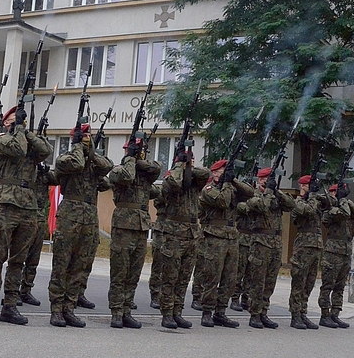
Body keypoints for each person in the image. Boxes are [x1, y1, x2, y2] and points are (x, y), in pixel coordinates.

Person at [0, 105, 52, 326]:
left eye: (19, 118)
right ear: (5, 123)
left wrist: (26, 130)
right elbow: (18, 149)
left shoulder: (27, 138)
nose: (17, 121)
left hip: (28, 207)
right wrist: (19, 130)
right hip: (6, 204)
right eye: (13, 119)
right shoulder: (1, 140)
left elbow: (45, 150)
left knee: (18, 261)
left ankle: (10, 306)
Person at [47, 124, 113, 328]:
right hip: (70, 215)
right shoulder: (66, 159)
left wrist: (90, 152)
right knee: (62, 264)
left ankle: (70, 308)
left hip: (89, 218)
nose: (87, 138)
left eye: (89, 135)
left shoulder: (95, 162)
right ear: (74, 138)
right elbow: (73, 165)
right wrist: (77, 148)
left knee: (81, 266)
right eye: (83, 135)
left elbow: (107, 167)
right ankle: (56, 309)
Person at [105, 138, 161, 329]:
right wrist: (130, 158)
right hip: (123, 226)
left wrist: (139, 160)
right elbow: (127, 176)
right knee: (120, 272)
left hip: (141, 227)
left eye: (142, 150)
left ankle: (127, 310)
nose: (141, 153)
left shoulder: (145, 173)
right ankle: (116, 312)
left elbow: (157, 168)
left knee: (134, 273)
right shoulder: (119, 170)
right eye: (137, 150)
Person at [196, 159, 254, 328]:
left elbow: (250, 193)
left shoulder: (231, 186)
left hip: (232, 237)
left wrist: (233, 180)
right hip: (214, 237)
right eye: (221, 171)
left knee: (230, 278)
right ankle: (207, 311)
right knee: (212, 276)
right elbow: (223, 201)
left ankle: (220, 312)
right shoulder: (208, 190)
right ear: (214, 173)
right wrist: (227, 183)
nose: (222, 173)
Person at [156, 150, 210, 329]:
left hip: (192, 234)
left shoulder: (194, 181)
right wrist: (180, 166)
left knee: (183, 278)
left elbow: (206, 174)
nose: (191, 162)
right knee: (170, 277)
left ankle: (177, 312)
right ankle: (167, 314)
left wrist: (189, 168)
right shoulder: (170, 179)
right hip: (174, 234)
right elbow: (173, 184)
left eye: (192, 160)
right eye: (187, 160)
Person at [243, 167, 294, 329]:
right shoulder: (254, 195)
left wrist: (276, 191)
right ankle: (254, 314)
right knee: (258, 280)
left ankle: (264, 312)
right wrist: (269, 192)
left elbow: (290, 204)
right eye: (265, 179)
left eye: (270, 179)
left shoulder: (275, 196)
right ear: (260, 180)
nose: (267, 182)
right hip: (260, 242)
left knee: (270, 281)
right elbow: (262, 206)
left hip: (276, 243)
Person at [318, 182, 354, 328]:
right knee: (328, 285)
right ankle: (324, 315)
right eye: (335, 193)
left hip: (345, 252)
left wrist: (346, 199)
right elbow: (344, 214)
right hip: (333, 252)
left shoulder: (345, 205)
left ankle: (335, 314)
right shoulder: (329, 210)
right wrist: (341, 201)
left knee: (340, 286)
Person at [288, 174, 329, 330]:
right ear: (303, 186)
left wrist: (320, 190)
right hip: (303, 246)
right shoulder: (298, 202)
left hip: (316, 246)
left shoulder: (315, 200)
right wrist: (311, 195)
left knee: (310, 282)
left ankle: (303, 312)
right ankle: (295, 315)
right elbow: (310, 211)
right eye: (307, 186)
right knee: (299, 281)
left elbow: (330, 203)